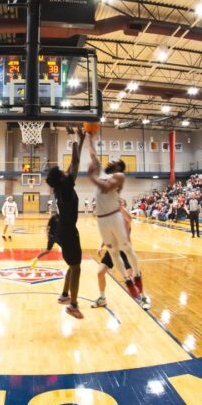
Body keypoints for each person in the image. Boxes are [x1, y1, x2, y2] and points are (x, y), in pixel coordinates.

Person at [86, 133, 144, 300]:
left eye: (114, 161)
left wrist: (91, 177)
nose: (110, 161)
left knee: (126, 247)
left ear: (119, 167)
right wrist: (89, 137)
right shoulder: (102, 172)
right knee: (112, 253)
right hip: (102, 219)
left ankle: (137, 275)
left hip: (114, 216)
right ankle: (128, 281)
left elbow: (107, 187)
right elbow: (92, 154)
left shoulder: (119, 176)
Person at [45, 127, 85, 319]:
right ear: (61, 177)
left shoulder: (61, 187)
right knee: (76, 267)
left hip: (63, 230)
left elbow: (73, 164)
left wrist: (81, 139)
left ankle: (64, 295)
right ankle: (73, 305)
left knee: (72, 264)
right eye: (61, 171)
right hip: (68, 232)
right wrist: (72, 137)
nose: (64, 170)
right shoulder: (66, 187)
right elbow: (75, 162)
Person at [92, 199, 137, 308]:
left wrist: (120, 207)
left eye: (122, 205)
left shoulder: (126, 220)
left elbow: (129, 219)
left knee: (129, 278)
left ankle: (139, 298)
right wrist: (101, 246)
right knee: (100, 272)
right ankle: (102, 298)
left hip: (125, 251)